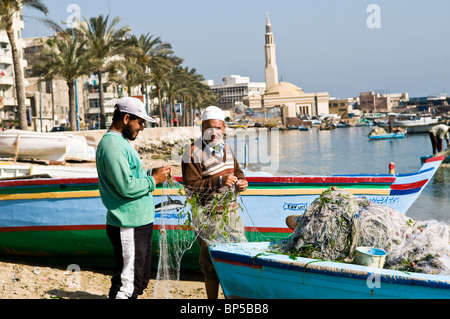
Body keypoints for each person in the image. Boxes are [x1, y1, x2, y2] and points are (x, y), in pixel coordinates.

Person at [96, 97, 173, 299]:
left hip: (138, 222)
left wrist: (151, 173)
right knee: (126, 285)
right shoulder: (113, 145)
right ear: (127, 118)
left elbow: (131, 176)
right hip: (127, 223)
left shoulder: (120, 143)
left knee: (138, 280)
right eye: (140, 122)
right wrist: (153, 180)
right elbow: (126, 186)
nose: (142, 128)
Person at [181, 106, 248, 299]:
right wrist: (218, 181)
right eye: (209, 128)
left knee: (237, 257)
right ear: (202, 128)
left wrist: (242, 182)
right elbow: (191, 187)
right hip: (208, 217)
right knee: (211, 265)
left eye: (218, 128)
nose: (214, 132)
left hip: (232, 214)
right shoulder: (191, 152)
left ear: (224, 128)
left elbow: (237, 173)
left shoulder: (227, 148)